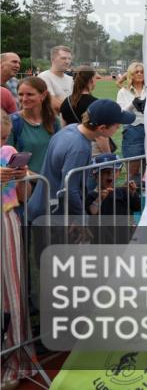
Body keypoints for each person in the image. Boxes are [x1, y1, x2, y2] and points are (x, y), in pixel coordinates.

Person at [26, 99, 134, 222]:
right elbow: (69, 190)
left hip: (41, 207)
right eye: (116, 125)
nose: (118, 127)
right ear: (102, 128)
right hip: (53, 216)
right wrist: (82, 219)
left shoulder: (70, 129)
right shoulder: (79, 148)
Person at [1, 111, 36, 390]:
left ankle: (17, 360)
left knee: (11, 292)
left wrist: (22, 177)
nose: (2, 142)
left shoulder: (8, 152)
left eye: (3, 136)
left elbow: (24, 197)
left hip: (5, 220)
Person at [9, 77, 61, 177]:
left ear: (43, 95)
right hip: (24, 185)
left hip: (49, 184)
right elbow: (6, 159)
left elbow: (60, 153)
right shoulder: (13, 122)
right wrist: (38, 178)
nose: (24, 99)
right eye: (20, 94)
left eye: (30, 94)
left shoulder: (54, 121)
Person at [59, 67, 112, 154]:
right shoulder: (96, 104)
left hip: (72, 148)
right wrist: (109, 155)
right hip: (91, 150)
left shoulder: (66, 102)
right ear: (91, 80)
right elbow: (100, 136)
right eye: (95, 78)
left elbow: (63, 129)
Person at [116, 62, 146, 158]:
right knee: (133, 165)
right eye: (136, 72)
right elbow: (120, 114)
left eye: (142, 72)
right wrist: (132, 105)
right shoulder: (123, 92)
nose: (140, 74)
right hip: (132, 130)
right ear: (131, 74)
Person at [37, 45, 74, 113]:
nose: (67, 62)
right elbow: (54, 104)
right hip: (53, 122)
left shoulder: (71, 79)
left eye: (69, 59)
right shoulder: (43, 77)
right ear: (52, 59)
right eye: (63, 58)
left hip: (71, 121)